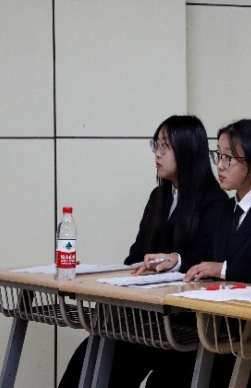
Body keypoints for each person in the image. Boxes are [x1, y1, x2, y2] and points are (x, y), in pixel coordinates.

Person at [59, 115, 227, 388]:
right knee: (89, 355)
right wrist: (133, 268)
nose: (157, 154)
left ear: (187, 150)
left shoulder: (215, 201)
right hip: (146, 317)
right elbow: (136, 254)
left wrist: (174, 261)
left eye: (165, 147)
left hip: (185, 323)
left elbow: (208, 258)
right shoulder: (158, 197)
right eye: (156, 145)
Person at [144, 118, 251, 388]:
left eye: (228, 158)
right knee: (164, 376)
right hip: (227, 335)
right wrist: (179, 262)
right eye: (218, 155)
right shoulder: (226, 210)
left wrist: (225, 269)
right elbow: (209, 260)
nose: (219, 165)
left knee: (176, 377)